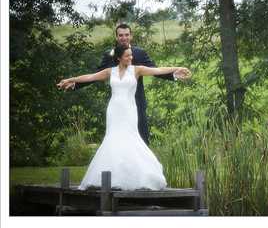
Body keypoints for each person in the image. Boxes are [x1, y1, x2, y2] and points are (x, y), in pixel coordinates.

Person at [57, 45, 191, 190]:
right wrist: (71, 80)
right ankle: (113, 178)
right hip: (114, 110)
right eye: (127, 56)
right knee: (113, 139)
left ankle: (141, 176)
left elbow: (157, 70)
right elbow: (90, 76)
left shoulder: (137, 70)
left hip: (129, 111)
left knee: (131, 138)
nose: (131, 58)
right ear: (119, 58)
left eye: (131, 55)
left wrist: (177, 68)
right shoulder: (110, 71)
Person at [62, 23, 179, 145]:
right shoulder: (109, 55)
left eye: (127, 35)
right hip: (117, 106)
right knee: (117, 140)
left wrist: (174, 74)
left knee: (141, 140)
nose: (124, 38)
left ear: (131, 36)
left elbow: (155, 70)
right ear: (116, 37)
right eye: (121, 35)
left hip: (137, 103)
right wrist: (75, 83)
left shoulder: (139, 53)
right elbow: (95, 75)